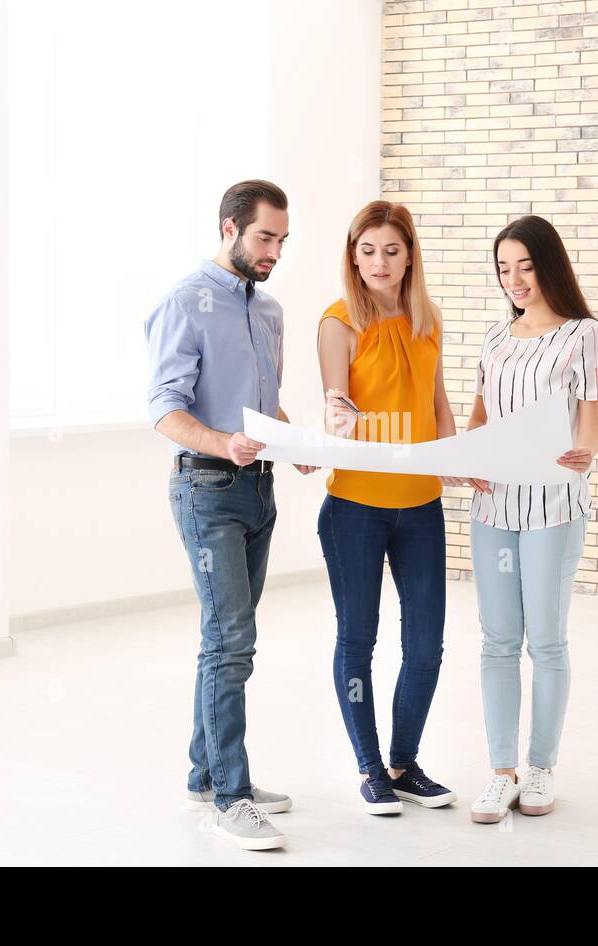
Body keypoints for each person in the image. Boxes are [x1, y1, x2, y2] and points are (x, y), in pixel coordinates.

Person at [144, 179, 317, 851]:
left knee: (226, 639)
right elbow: (165, 408)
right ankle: (230, 796)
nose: (274, 251)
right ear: (230, 228)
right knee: (231, 641)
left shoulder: (269, 311)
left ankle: (205, 774)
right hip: (207, 490)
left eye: (282, 240)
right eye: (264, 237)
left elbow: (262, 407)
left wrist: (296, 441)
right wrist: (224, 444)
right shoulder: (186, 303)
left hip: (258, 491)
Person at [316, 200, 485, 815]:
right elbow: (337, 401)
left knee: (425, 647)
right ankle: (370, 770)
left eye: (391, 250)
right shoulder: (339, 322)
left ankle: (403, 762)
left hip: (421, 507)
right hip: (355, 507)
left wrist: (460, 459)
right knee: (357, 640)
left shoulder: (426, 319)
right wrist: (336, 417)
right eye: (367, 251)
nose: (378, 263)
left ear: (410, 254)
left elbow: (436, 407)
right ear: (352, 255)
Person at [464, 215, 598, 823]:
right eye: (504, 269)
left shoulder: (585, 336)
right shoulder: (496, 339)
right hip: (492, 505)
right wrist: (467, 458)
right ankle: (502, 772)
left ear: (548, 264)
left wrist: (587, 453)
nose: (515, 280)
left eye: (525, 266)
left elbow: (592, 421)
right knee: (498, 641)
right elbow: (478, 421)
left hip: (553, 504)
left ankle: (542, 766)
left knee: (546, 640)